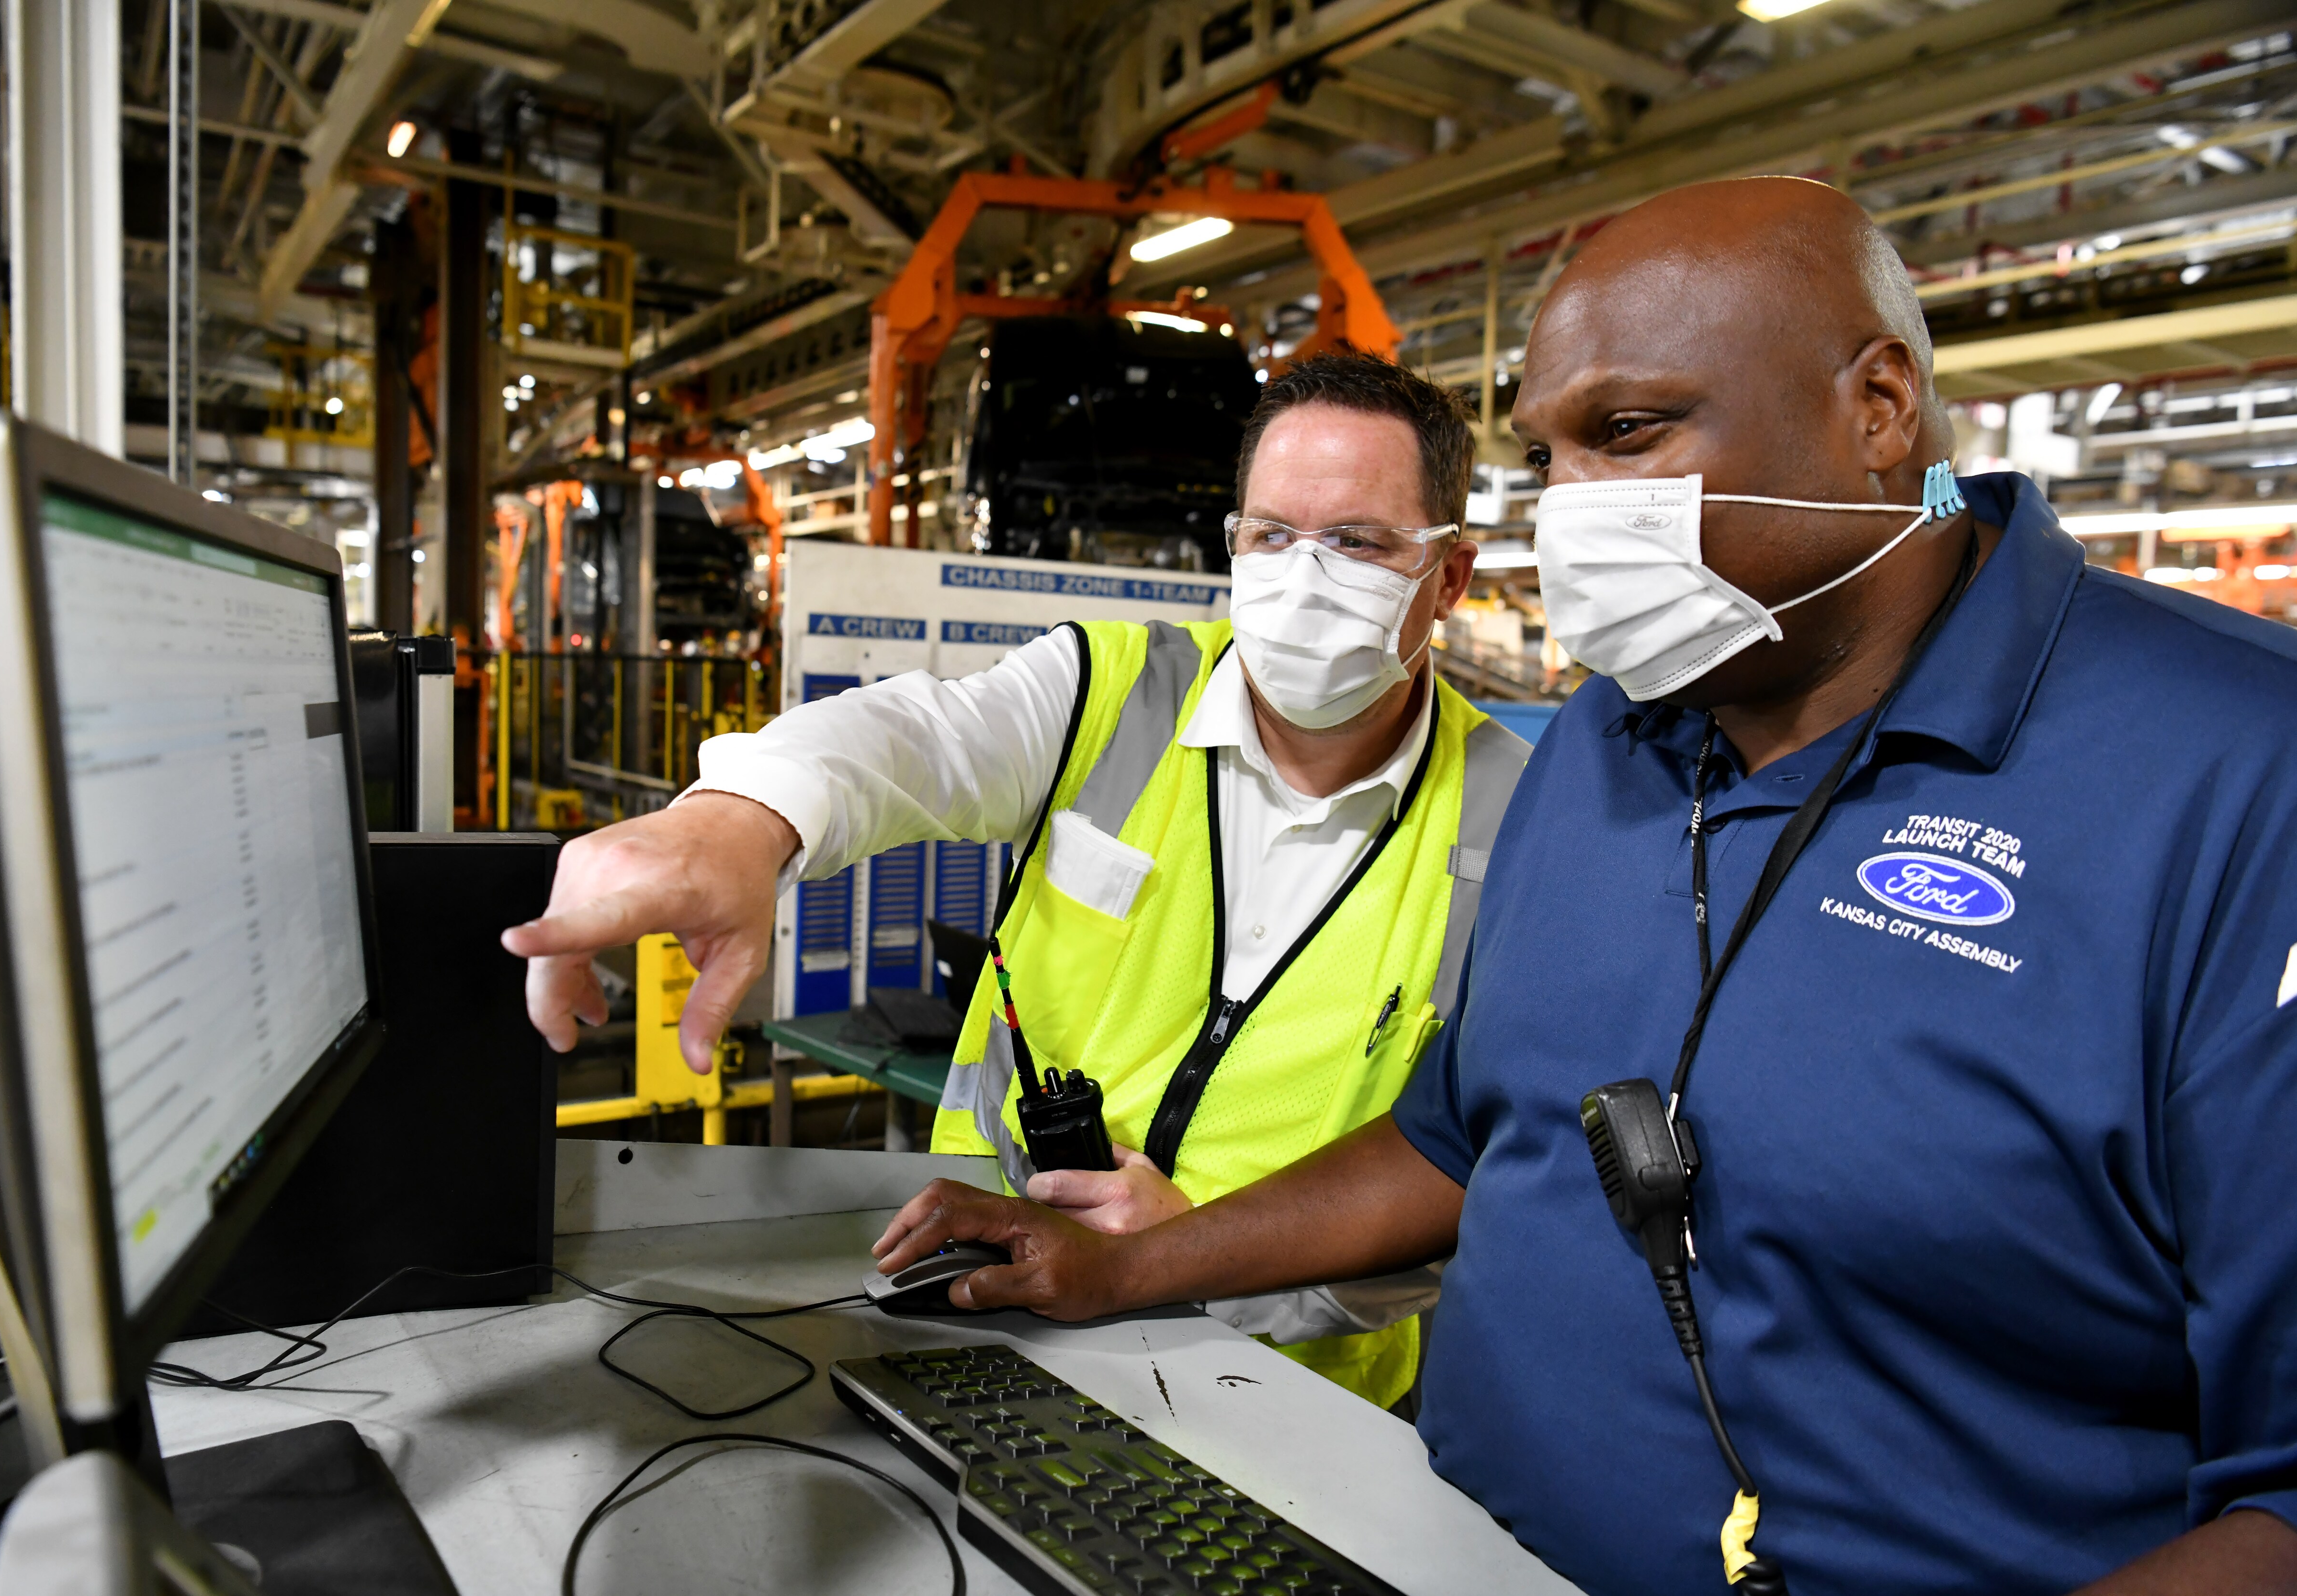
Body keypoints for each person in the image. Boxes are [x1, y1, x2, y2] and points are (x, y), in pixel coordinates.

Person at [866, 176, 2297, 1596]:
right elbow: (1460, 1135)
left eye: (1626, 431)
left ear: (1877, 409)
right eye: (1549, 456)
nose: (1574, 515)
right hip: (1415, 1540)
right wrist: (1129, 1266)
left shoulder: (2233, 773)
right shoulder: (1609, 733)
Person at [503, 355, 1530, 1409]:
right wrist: (742, 817)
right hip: (985, 1302)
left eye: (1356, 542)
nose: (1303, 577)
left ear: (1448, 576)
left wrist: (1191, 1253)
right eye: (1271, 535)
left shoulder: (1519, 816)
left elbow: (1479, 1178)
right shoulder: (1113, 686)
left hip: (1290, 1395)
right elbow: (913, 739)